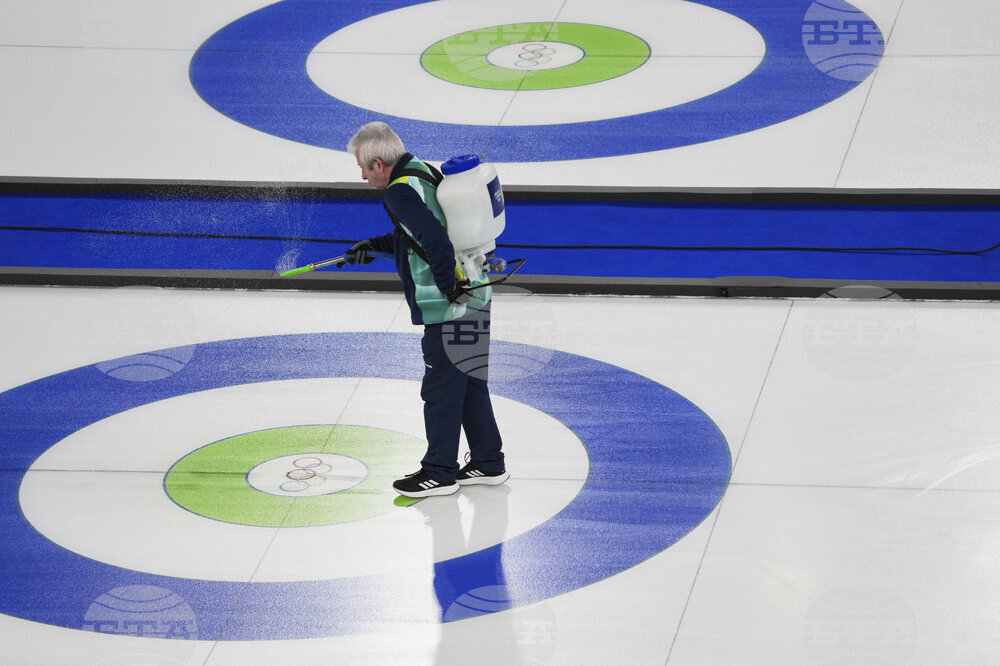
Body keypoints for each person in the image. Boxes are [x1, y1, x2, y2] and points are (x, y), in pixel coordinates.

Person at [345, 121, 509, 498]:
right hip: (478, 292)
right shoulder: (422, 171)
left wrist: (449, 289)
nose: (362, 175)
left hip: (450, 306)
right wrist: (372, 246)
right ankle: (488, 462)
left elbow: (434, 240)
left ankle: (439, 471)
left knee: (440, 391)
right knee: (469, 386)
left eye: (362, 168)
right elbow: (419, 234)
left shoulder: (398, 195)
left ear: (378, 163)